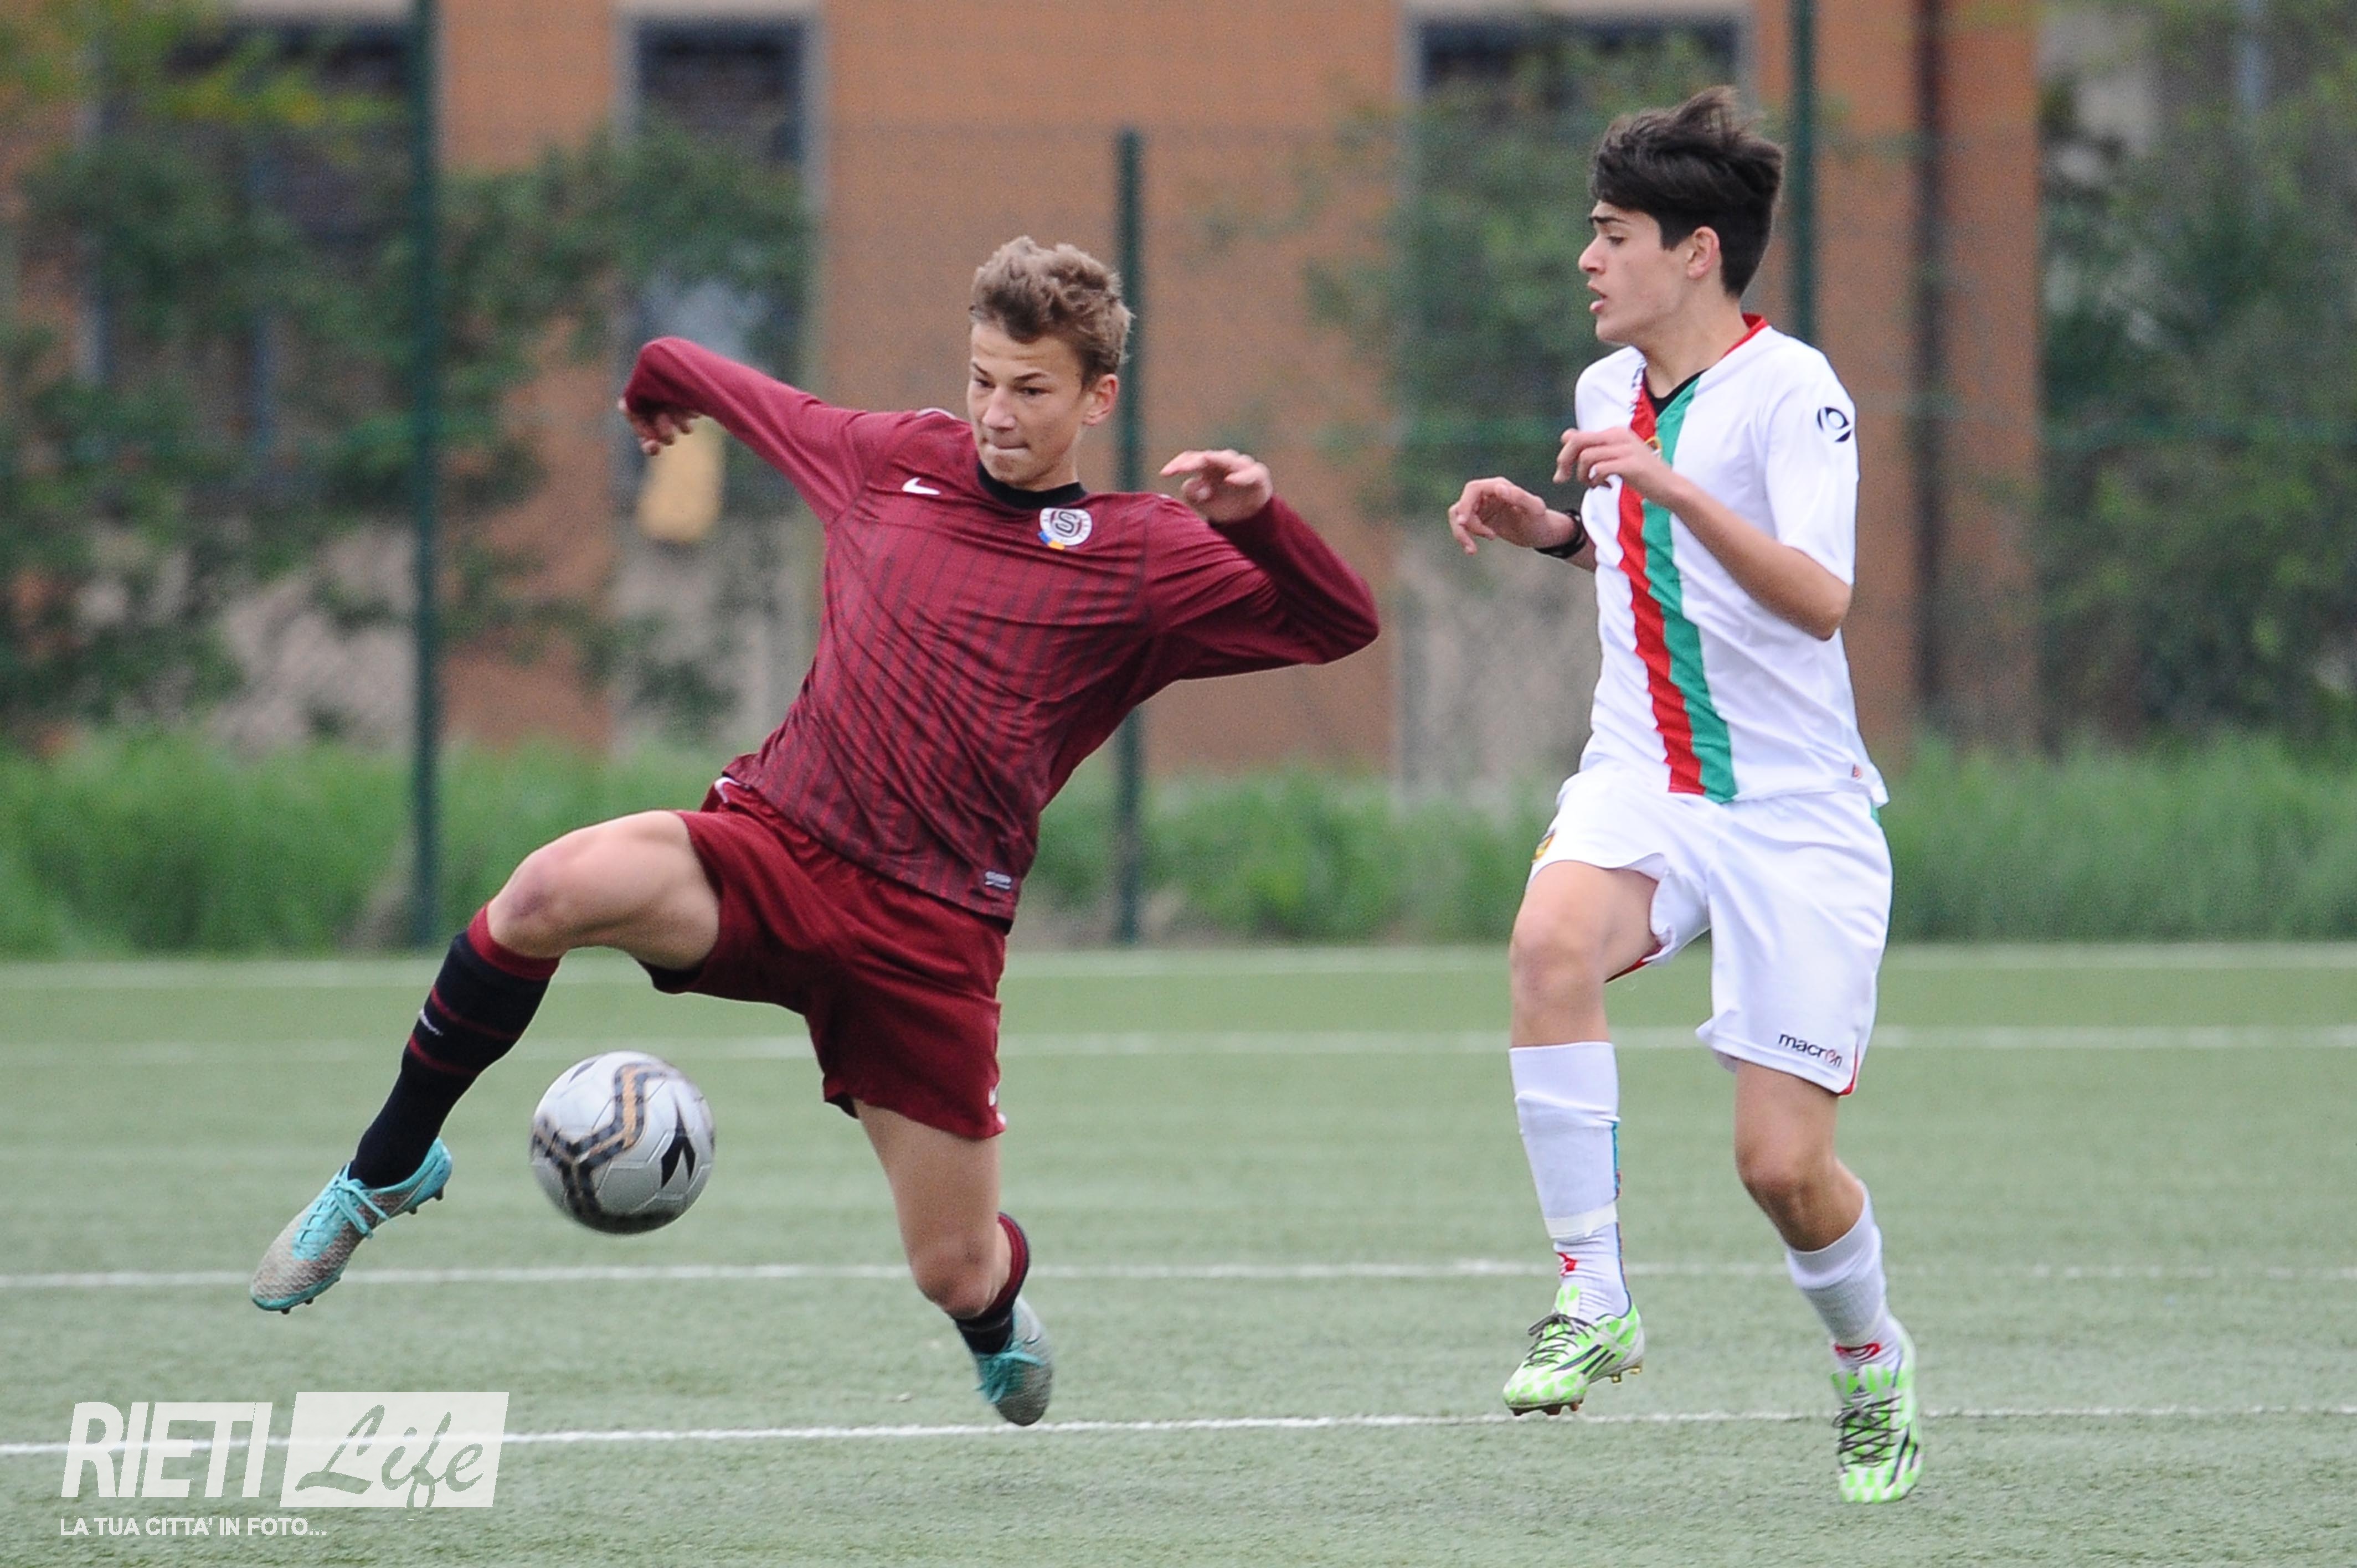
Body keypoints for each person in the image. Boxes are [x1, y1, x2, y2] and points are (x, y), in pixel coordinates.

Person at [251, 236, 1381, 1427]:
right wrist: (654, 385)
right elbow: (714, 377)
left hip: (929, 937)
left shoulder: (1142, 552)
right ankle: (386, 1168)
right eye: (982, 379)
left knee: (952, 1269)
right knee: (545, 894)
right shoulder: (892, 460)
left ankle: (994, 1319)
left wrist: (1259, 520)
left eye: (1032, 389)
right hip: (775, 850)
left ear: (1098, 400)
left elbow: (1338, 623)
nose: (998, 413)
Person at [1444, 89, 1921, 1503]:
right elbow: (1644, 553)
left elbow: (1817, 599)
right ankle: (1592, 1297)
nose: (1587, 259)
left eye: (1613, 234)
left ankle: (1869, 1360)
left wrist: (1663, 487)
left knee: (1781, 1170)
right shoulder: (1607, 394)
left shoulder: (1796, 392)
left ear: (1696, 251)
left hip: (1795, 814)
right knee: (1546, 944)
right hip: (1644, 778)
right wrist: (1554, 534)